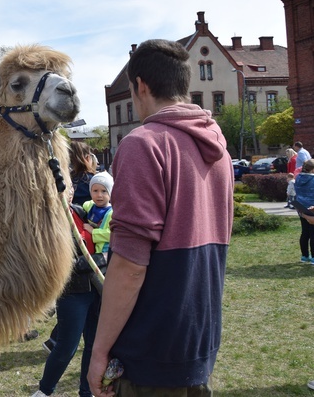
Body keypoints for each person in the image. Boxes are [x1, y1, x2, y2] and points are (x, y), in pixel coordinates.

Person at [87, 40, 233, 397]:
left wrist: (98, 351)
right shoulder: (219, 148)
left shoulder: (144, 143)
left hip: (149, 351)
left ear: (140, 86)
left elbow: (130, 266)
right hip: (197, 345)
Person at [32, 188, 108, 397]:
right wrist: (88, 262)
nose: (68, 192)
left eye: (70, 188)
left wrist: (103, 258)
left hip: (96, 289)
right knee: (67, 347)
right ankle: (44, 391)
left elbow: (101, 239)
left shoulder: (82, 212)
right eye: (62, 189)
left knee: (93, 345)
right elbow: (50, 260)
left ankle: (86, 392)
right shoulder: (48, 221)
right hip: (73, 291)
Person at [82, 172, 114, 254]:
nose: (99, 195)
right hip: (92, 249)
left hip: (105, 251)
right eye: (95, 191)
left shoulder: (112, 213)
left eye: (104, 191)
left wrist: (93, 232)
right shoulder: (89, 206)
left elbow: (111, 234)